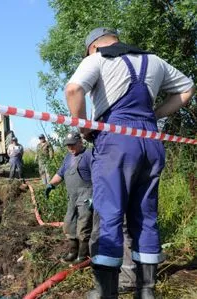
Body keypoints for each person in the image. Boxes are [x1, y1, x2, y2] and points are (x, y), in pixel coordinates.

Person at [65, 27, 195, 298]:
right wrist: (155, 115)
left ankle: (106, 292)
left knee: (110, 214)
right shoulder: (155, 60)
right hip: (149, 140)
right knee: (146, 216)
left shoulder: (97, 59)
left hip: (116, 142)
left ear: (93, 47)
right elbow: (187, 89)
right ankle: (146, 292)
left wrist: (84, 128)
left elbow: (74, 88)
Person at [45, 132, 92, 263]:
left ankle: (82, 256)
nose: (70, 148)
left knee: (83, 226)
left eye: (72, 145)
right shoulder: (68, 158)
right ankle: (73, 252)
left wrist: (95, 196)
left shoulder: (89, 155)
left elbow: (98, 176)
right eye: (67, 145)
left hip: (86, 196)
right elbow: (60, 174)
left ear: (80, 142)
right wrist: (50, 185)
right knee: (69, 224)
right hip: (72, 197)